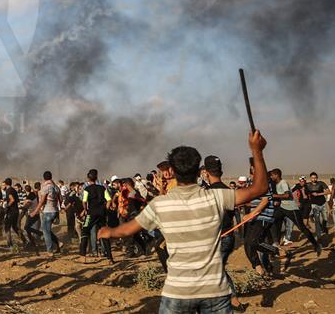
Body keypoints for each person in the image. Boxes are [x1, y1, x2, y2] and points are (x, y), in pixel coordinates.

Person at [99, 130, 269, 314]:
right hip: (214, 292)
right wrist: (256, 151)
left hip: (178, 292)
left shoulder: (160, 205)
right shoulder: (217, 197)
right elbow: (260, 188)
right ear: (198, 171)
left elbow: (126, 230)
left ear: (172, 171)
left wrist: (108, 231)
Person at [204, 155, 242, 311]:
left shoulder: (206, 193)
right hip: (228, 237)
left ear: (206, 173)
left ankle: (232, 300)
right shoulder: (230, 192)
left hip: (217, 238)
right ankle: (231, 299)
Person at [270, 169, 320, 256]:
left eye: (272, 175)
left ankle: (316, 244)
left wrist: (275, 196)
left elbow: (287, 195)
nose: (271, 177)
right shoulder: (276, 184)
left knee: (302, 228)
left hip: (291, 209)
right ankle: (276, 247)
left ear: (276, 175)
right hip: (282, 208)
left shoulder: (283, 182)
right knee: (274, 223)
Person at [78, 169, 113, 263]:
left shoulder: (87, 189)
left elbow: (84, 201)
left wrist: (85, 209)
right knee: (104, 233)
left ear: (88, 178)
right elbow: (109, 200)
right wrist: (105, 209)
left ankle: (82, 255)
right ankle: (110, 258)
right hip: (101, 213)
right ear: (96, 177)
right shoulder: (102, 188)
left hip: (91, 213)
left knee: (85, 231)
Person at [30, 170, 60, 254]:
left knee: (45, 231)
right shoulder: (56, 187)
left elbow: (42, 201)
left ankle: (50, 250)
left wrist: (35, 211)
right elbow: (60, 198)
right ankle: (59, 243)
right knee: (48, 230)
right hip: (54, 210)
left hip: (48, 211)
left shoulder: (46, 187)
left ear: (44, 178)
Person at [304, 172, 329, 240]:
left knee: (325, 219)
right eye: (312, 178)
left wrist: (318, 194)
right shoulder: (307, 185)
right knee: (317, 221)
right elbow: (305, 193)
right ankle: (319, 236)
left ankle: (324, 229)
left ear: (317, 178)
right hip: (314, 205)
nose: (314, 179)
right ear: (310, 178)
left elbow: (328, 191)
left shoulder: (321, 183)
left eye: (315, 178)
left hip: (323, 204)